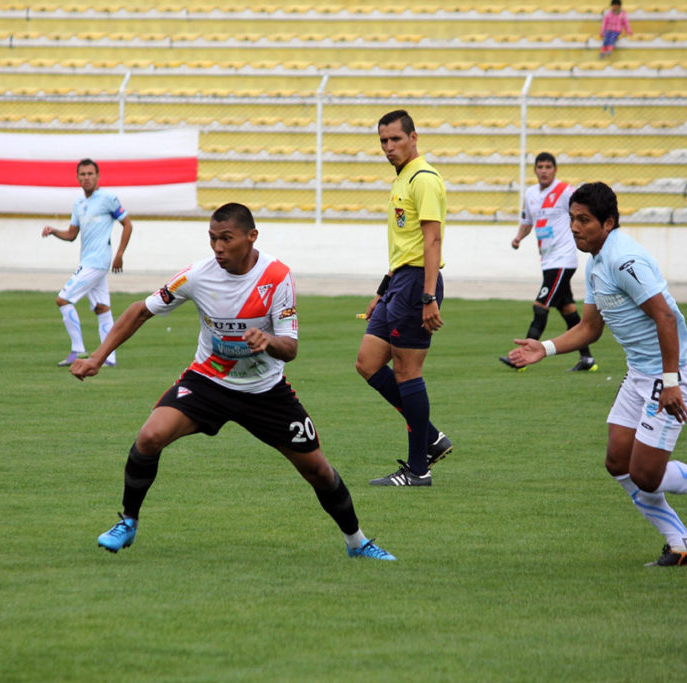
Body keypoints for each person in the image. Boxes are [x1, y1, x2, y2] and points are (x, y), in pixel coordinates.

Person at [71, 202, 396, 561]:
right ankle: (127, 522)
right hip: (208, 382)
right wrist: (97, 358)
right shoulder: (196, 275)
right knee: (149, 437)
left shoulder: (276, 276)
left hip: (264, 391)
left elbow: (290, 348)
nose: (218, 248)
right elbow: (140, 311)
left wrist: (268, 341)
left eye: (226, 238)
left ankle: (358, 543)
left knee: (317, 469)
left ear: (251, 237)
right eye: (212, 239)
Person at [508, 182, 687, 567]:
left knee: (646, 475)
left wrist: (670, 382)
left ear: (609, 222)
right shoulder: (597, 261)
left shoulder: (623, 259)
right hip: (640, 375)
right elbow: (589, 328)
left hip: (672, 373)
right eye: (572, 219)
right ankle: (682, 544)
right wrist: (545, 348)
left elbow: (665, 317)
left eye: (584, 220)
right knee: (618, 462)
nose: (575, 227)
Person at [356, 109, 453, 488]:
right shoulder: (402, 179)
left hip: (417, 285)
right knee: (367, 363)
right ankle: (430, 437)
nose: (388, 147)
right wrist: (382, 292)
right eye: (383, 141)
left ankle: (418, 469)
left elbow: (432, 240)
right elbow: (406, 243)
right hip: (400, 284)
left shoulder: (424, 179)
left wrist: (428, 295)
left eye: (395, 139)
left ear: (414, 138)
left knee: (407, 371)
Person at [498, 152, 596, 373]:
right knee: (568, 310)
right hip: (548, 260)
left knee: (540, 307)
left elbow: (586, 206)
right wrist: (518, 238)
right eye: (540, 166)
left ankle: (520, 358)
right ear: (535, 170)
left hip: (563, 259)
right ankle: (587, 359)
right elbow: (527, 222)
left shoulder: (565, 191)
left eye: (548, 166)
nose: (543, 170)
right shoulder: (531, 194)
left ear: (555, 169)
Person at [42, 158, 133, 368]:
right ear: (77, 178)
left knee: (63, 299)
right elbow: (72, 234)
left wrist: (120, 254)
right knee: (102, 308)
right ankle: (109, 358)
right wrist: (54, 231)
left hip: (97, 262)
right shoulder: (79, 203)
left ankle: (78, 349)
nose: (86, 178)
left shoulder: (108, 198)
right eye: (82, 174)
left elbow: (127, 225)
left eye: (90, 174)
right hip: (90, 261)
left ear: (98, 176)